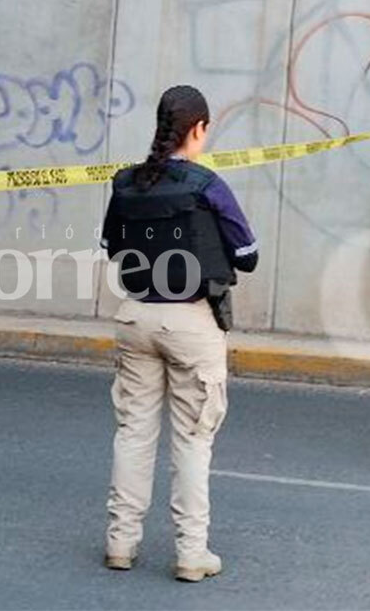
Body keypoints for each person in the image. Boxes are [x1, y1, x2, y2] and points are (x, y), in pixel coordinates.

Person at [99, 85, 258, 582]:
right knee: (192, 440)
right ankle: (191, 553)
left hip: (135, 318)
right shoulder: (207, 185)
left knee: (133, 433)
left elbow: (110, 245)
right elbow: (248, 254)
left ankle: (120, 543)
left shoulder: (126, 182)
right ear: (199, 128)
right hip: (191, 321)